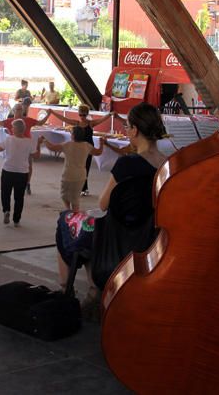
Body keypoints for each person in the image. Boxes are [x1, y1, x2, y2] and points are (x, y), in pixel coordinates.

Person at [55, 103, 168, 299]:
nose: (126, 132)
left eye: (127, 128)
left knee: (66, 221)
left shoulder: (127, 164)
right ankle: (93, 291)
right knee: (90, 228)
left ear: (134, 130)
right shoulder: (167, 164)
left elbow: (103, 203)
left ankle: (66, 290)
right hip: (150, 236)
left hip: (116, 237)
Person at [50, 105, 114, 196]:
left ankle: (84, 188)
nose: (82, 117)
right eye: (80, 115)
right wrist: (53, 112)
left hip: (88, 148)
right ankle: (78, 187)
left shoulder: (91, 124)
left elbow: (102, 119)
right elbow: (64, 119)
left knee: (86, 168)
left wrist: (110, 114)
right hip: (78, 148)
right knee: (77, 167)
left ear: (87, 114)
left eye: (84, 115)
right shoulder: (76, 123)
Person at [40, 125, 104, 211]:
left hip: (68, 175)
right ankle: (74, 215)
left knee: (64, 195)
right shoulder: (87, 146)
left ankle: (68, 210)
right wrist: (102, 144)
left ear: (73, 135)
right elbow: (98, 152)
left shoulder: (67, 145)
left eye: (71, 133)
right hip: (81, 176)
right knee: (75, 198)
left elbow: (52, 147)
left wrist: (44, 140)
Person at [0, 119, 41, 226]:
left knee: (5, 193)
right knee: (19, 197)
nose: (11, 129)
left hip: (8, 170)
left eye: (12, 127)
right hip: (22, 172)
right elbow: (36, 156)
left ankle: (6, 210)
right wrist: (38, 144)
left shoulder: (9, 139)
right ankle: (16, 219)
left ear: (16, 129)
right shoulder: (28, 142)